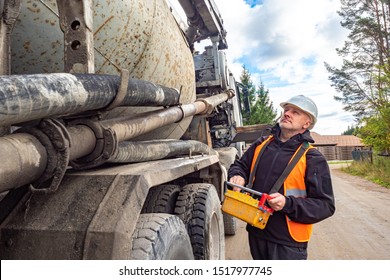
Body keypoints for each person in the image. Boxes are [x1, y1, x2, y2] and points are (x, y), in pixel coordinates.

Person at [228, 94, 335, 260]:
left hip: (288, 243)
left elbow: (325, 205)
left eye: (295, 112)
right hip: (257, 232)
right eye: (286, 109)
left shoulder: (312, 158)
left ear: (307, 124)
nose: (287, 113)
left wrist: (287, 203)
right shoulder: (261, 144)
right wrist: (237, 176)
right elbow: (240, 166)